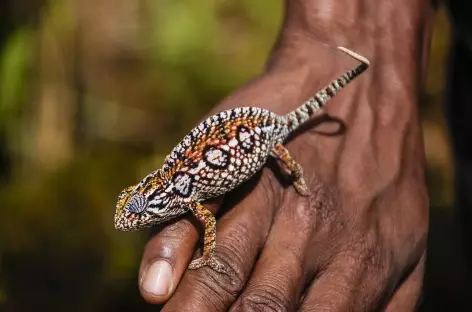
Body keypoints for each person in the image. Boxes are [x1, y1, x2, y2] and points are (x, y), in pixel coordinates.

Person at [134, 0, 449, 310]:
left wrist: (208, 256)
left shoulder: (186, 194)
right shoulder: (181, 188)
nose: (136, 218)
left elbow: (209, 225)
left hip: (265, 135)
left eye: (138, 209)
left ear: (154, 198)